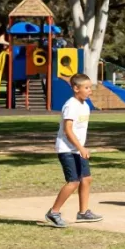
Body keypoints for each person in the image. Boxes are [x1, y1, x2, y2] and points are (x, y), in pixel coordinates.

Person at [44, 73, 102, 227]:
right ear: (76, 88)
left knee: (86, 179)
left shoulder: (85, 106)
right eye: (86, 88)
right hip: (67, 150)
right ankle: (53, 212)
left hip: (78, 149)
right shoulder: (71, 105)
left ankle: (83, 213)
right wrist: (80, 147)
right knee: (73, 182)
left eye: (90, 87)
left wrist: (81, 148)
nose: (90, 90)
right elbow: (68, 131)